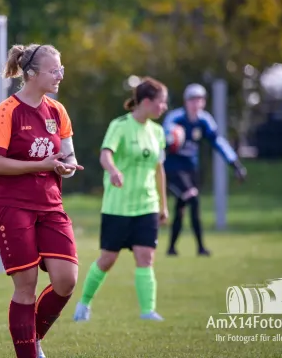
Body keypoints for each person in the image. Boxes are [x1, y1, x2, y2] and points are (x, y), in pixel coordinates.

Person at [0, 43, 84, 358]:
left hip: (51, 205)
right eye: (54, 70)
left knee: (66, 280)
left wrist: (65, 167)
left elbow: (67, 158)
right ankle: (27, 352)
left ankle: (31, 338)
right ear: (31, 73)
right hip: (13, 206)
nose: (60, 76)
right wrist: (40, 165)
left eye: (62, 70)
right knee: (25, 286)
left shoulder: (58, 111)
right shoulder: (7, 110)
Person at [72, 77, 169, 323]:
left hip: (146, 205)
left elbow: (159, 171)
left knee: (145, 257)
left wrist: (163, 205)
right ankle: (83, 304)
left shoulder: (158, 132)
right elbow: (105, 155)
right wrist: (113, 171)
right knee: (107, 259)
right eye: (161, 103)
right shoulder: (120, 125)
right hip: (118, 206)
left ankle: (148, 311)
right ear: (146, 102)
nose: (164, 108)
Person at [163, 83, 247, 257]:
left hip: (191, 169)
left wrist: (235, 164)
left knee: (184, 207)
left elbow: (218, 142)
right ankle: (200, 247)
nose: (196, 103)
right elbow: (164, 135)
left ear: (204, 102)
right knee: (192, 199)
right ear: (186, 102)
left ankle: (174, 248)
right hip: (173, 169)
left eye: (199, 99)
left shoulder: (204, 120)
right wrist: (170, 139)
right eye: (192, 99)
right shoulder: (175, 118)